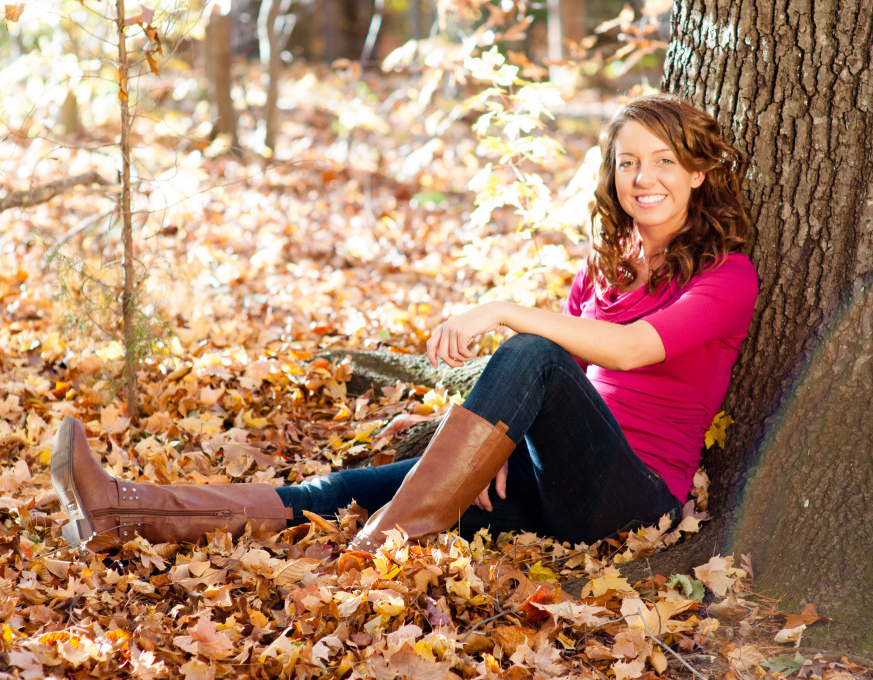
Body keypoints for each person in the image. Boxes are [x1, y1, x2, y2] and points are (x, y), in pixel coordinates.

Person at [51, 93, 758, 553]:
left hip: (633, 501)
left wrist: (502, 309)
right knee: (342, 492)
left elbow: (632, 351)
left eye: (664, 161)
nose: (644, 177)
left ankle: (382, 552)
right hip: (551, 483)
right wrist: (498, 452)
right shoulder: (607, 264)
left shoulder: (728, 276)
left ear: (698, 173)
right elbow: (565, 387)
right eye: (628, 161)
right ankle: (123, 509)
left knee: (532, 348)